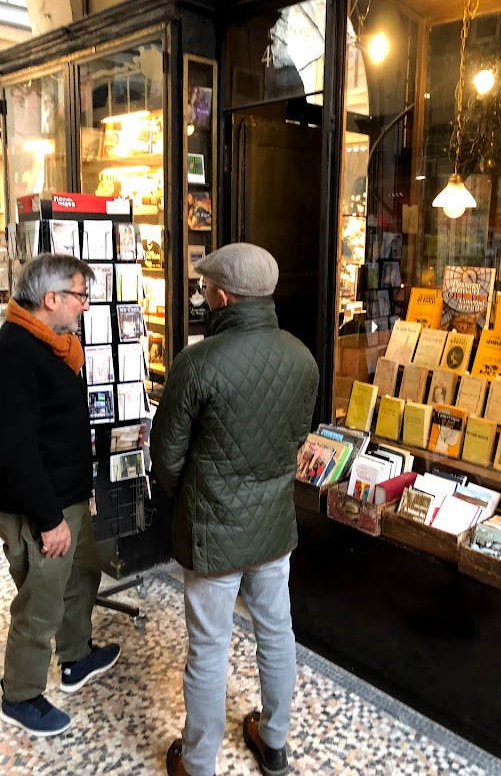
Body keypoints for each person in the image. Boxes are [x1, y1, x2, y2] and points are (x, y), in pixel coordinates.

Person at [150, 243, 319, 776]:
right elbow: (295, 438)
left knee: (208, 648)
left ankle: (198, 764)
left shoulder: (197, 362)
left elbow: (166, 456)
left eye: (205, 288)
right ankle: (274, 742)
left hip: (212, 530)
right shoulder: (301, 355)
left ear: (222, 296)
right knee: (276, 631)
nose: (203, 294)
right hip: (273, 524)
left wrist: (191, 492)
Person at [0, 253, 120, 737]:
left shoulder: (56, 345)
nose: (85, 307)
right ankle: (20, 694)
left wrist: (80, 495)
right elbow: (15, 451)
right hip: (38, 506)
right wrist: (49, 519)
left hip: (68, 495)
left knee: (82, 575)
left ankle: (76, 657)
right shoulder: (15, 352)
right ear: (51, 299)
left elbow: (61, 430)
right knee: (41, 599)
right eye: (80, 296)